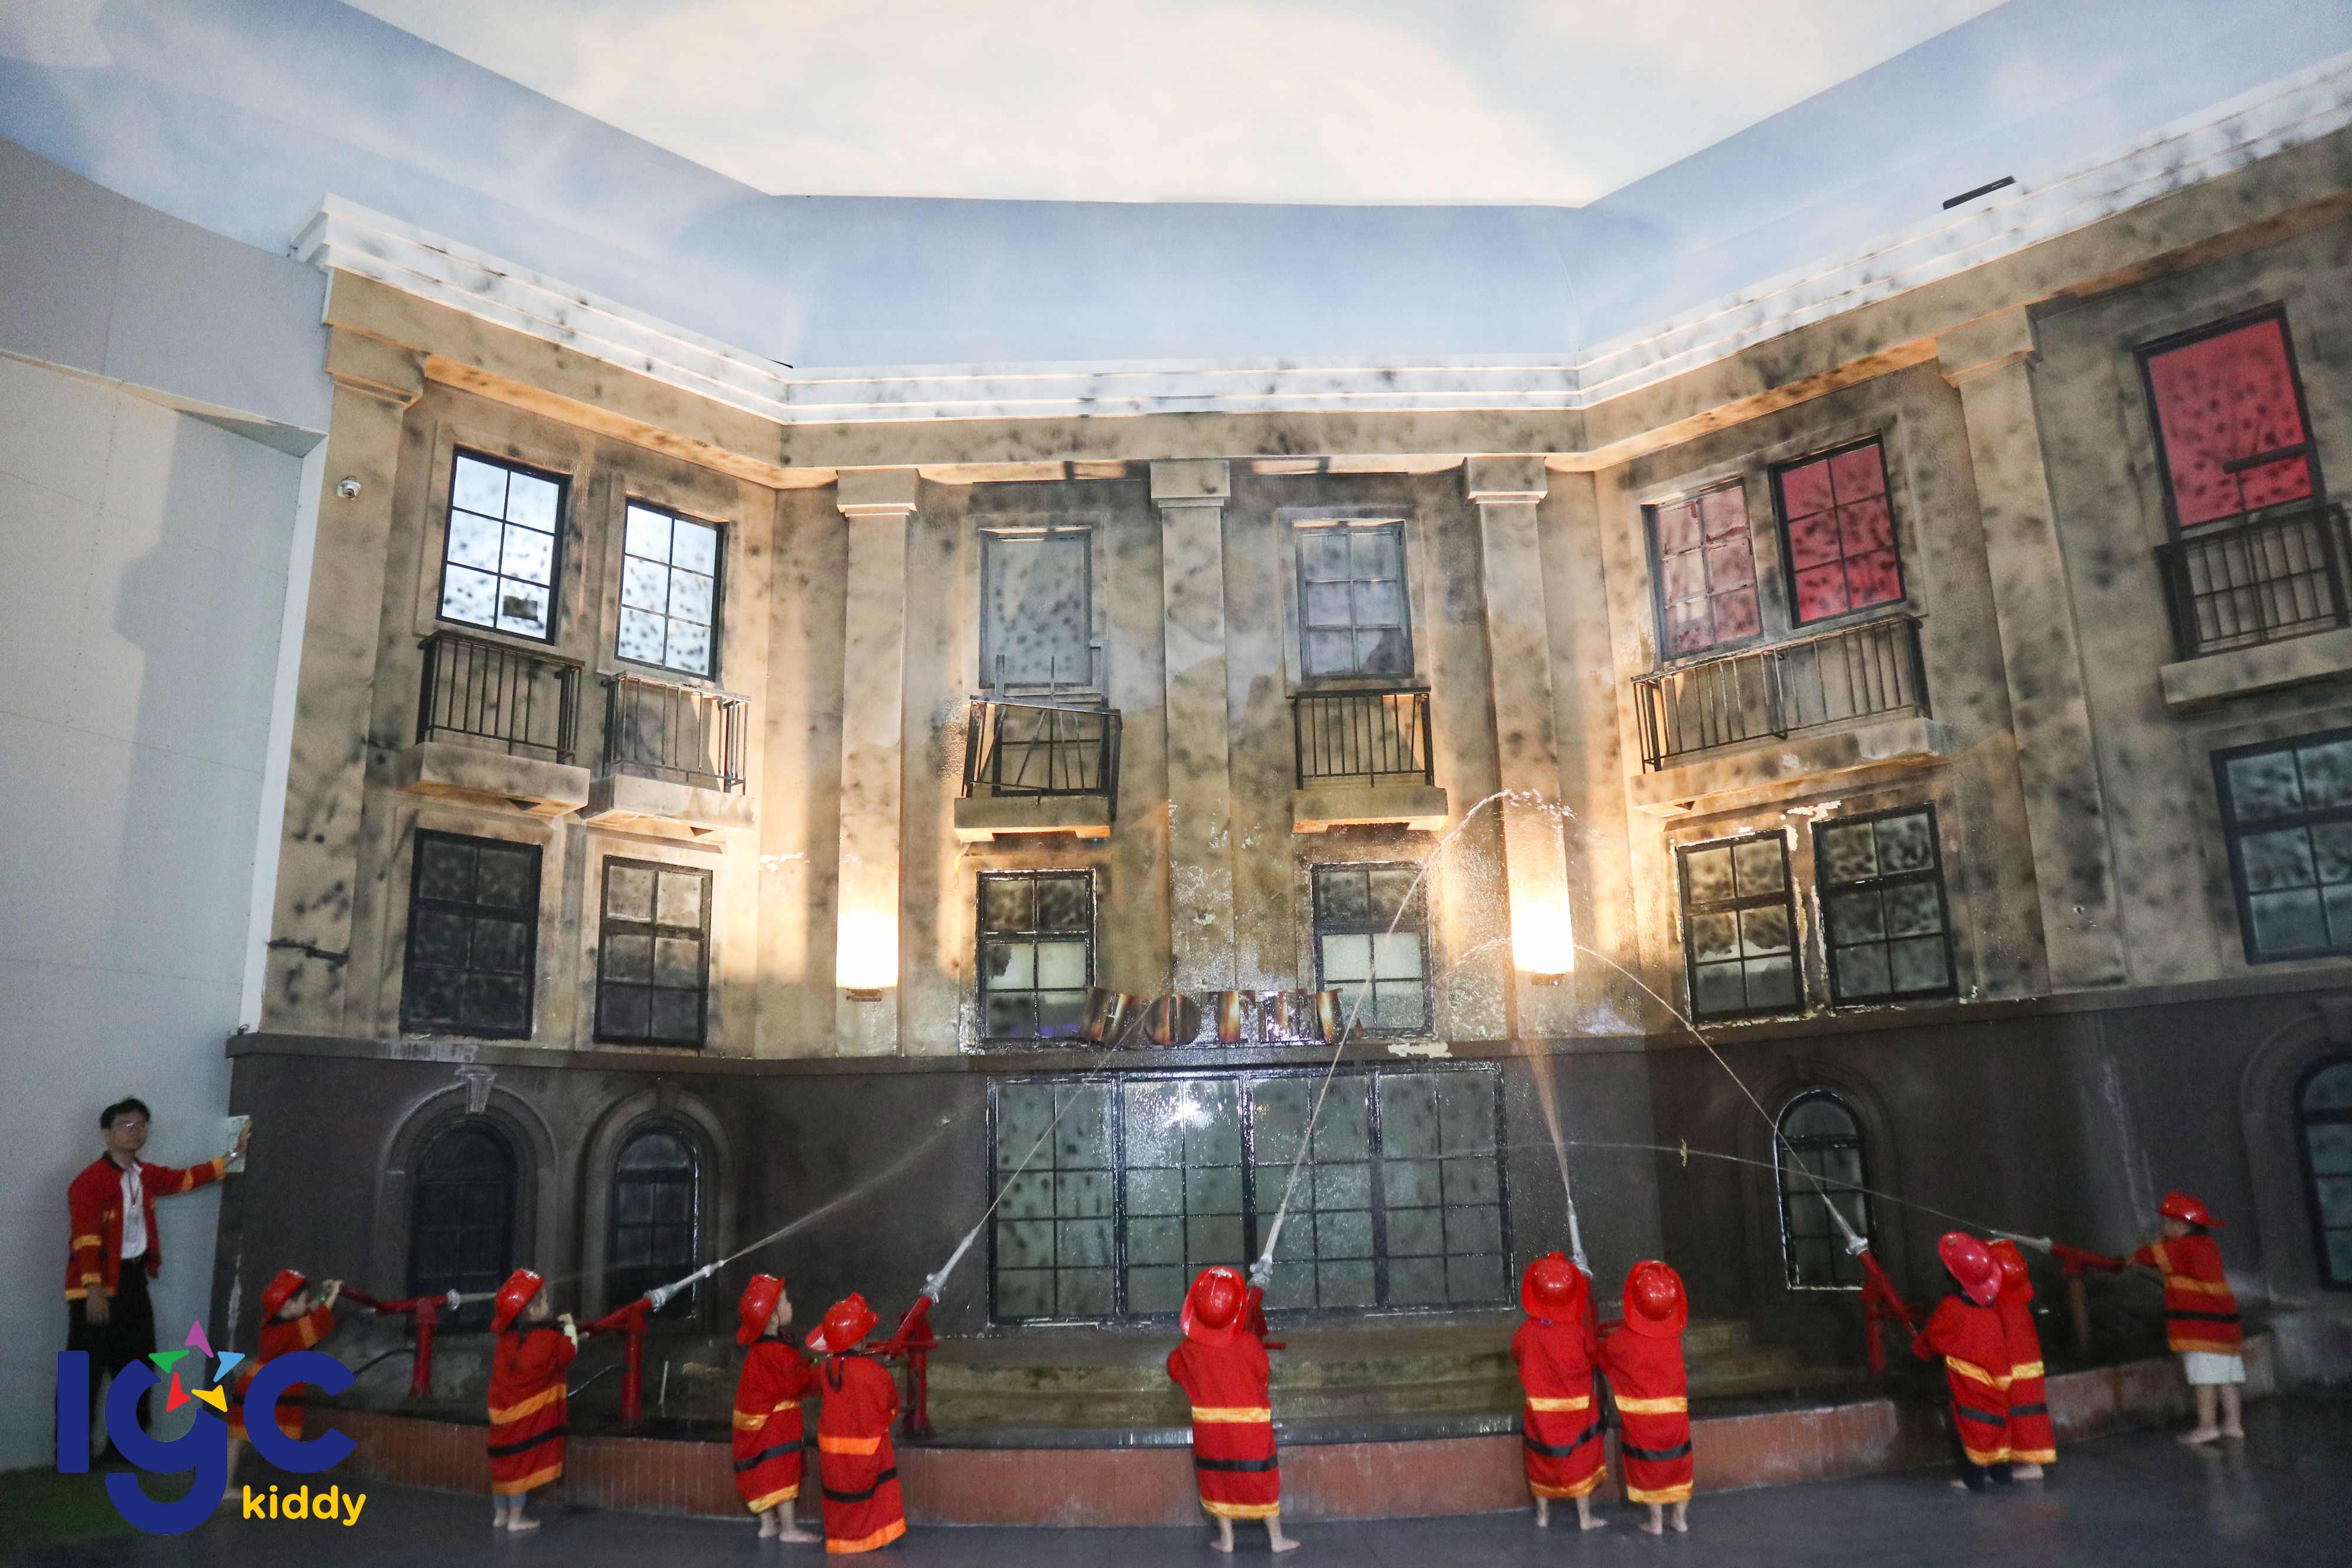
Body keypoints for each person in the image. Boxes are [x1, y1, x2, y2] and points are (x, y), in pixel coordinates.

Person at [66, 1097, 249, 1459]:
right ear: (107, 1134)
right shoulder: (89, 1181)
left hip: (133, 1279)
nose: (136, 1131)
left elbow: (185, 1179)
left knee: (138, 1366)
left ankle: (126, 1449)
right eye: (127, 1125)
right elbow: (85, 1239)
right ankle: (72, 1454)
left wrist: (234, 1153)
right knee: (83, 1368)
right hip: (95, 1286)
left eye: (141, 1125)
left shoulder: (144, 1175)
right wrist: (94, 1290)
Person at [1166, 1266, 1296, 1554]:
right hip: (1251, 1434)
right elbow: (1262, 1372)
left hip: (1212, 1436)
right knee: (1262, 1479)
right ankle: (1276, 1539)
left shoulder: (1189, 1352)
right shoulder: (1248, 1344)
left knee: (1218, 1480)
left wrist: (1194, 1345)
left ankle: (1227, 1540)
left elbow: (1173, 1369)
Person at [2129, 1191, 2245, 1445]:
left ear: (2180, 1226)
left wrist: (2128, 1260)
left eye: (2166, 1223)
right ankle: (2233, 1425)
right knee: (2227, 1380)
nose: (2162, 1227)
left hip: (2202, 1330)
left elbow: (2148, 1256)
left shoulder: (2181, 1248)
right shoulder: (2207, 1244)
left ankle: (2207, 1427)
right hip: (2225, 1327)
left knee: (2204, 1381)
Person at [224, 1269, 341, 1502]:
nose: (308, 1304)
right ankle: (225, 1489)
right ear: (288, 1304)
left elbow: (310, 1310)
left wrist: (323, 1295)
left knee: (236, 1440)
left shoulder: (272, 1322)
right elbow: (319, 1320)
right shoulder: (294, 1331)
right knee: (244, 1439)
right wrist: (336, 1292)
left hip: (254, 1384)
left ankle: (224, 1487)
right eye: (304, 1300)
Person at [1598, 1259, 1693, 1535]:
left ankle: (1656, 1522)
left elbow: (1603, 1355)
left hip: (1644, 1422)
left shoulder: (1624, 1340)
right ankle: (1680, 1519)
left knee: (1650, 1467)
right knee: (1679, 1464)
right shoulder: (1673, 1337)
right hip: (1675, 1418)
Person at [807, 1293, 907, 1554]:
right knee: (880, 1492)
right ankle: (875, 1537)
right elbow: (891, 1404)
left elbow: (809, 1384)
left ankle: (841, 1540)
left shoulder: (825, 1370)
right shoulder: (875, 1373)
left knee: (838, 1499)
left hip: (833, 1456)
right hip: (869, 1452)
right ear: (861, 1341)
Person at [1511, 1252, 1605, 1530]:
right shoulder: (1577, 1330)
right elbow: (1594, 1355)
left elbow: (1517, 1354)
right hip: (1577, 1408)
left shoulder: (1527, 1330)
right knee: (1580, 1458)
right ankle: (1584, 1517)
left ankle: (1543, 1515)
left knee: (1540, 1458)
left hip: (1541, 1410)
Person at [1913, 1232, 2013, 1493]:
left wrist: (1919, 1349)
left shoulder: (1951, 1307)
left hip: (1969, 1381)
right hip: (1999, 1375)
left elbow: (1934, 1337)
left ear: (1953, 1275)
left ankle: (1974, 1480)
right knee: (1998, 1421)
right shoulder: (1992, 1307)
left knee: (1971, 1423)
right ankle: (2002, 1474)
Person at [487, 1269, 576, 1533]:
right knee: (520, 1464)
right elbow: (568, 1353)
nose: (549, 1305)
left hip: (502, 1413)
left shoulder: (506, 1339)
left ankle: (500, 1515)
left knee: (503, 1462)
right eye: (544, 1302)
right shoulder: (546, 1340)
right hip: (525, 1418)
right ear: (531, 1310)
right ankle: (516, 1519)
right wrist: (569, 1327)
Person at [733, 1273, 818, 1542]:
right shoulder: (776, 1353)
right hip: (776, 1429)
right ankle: (790, 1529)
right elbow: (794, 1384)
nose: (791, 1305)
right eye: (785, 1301)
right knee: (782, 1470)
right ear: (772, 1318)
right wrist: (819, 1373)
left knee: (762, 1472)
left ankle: (768, 1524)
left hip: (756, 1426)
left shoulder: (760, 1350)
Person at [1986, 1240, 2054, 1478]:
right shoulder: (2017, 1299)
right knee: (2027, 1415)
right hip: (2027, 1370)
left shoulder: (2001, 1306)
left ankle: (2030, 1466)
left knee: (2021, 1416)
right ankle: (2028, 1463)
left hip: (2014, 1371)